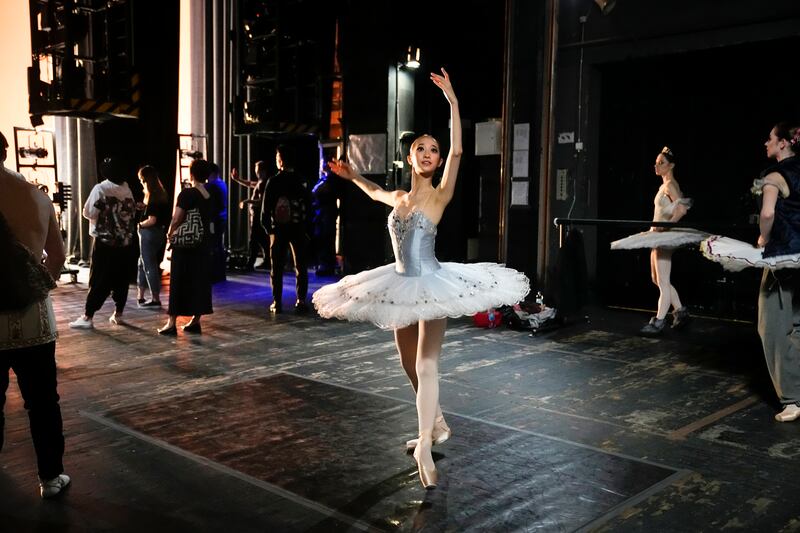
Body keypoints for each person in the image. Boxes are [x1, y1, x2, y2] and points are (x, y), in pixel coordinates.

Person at [313, 69, 529, 489]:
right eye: (420, 148)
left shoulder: (440, 193)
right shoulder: (399, 197)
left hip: (432, 285)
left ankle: (426, 448)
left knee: (427, 364)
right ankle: (435, 424)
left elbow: (460, 153)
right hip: (397, 286)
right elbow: (373, 191)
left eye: (434, 149)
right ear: (410, 158)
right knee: (410, 367)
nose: (429, 153)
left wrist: (452, 100)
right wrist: (351, 176)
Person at [0, 130, 70, 498]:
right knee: (43, 402)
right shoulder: (37, 197)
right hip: (34, 321)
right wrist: (36, 284)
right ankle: (50, 477)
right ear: (6, 152)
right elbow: (57, 258)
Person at [610, 147, 706, 336]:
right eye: (656, 162)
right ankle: (680, 311)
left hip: (664, 236)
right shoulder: (664, 185)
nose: (657, 165)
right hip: (658, 235)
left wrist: (665, 225)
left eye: (661, 162)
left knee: (662, 280)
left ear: (671, 166)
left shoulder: (670, 184)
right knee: (657, 279)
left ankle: (659, 322)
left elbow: (682, 209)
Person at [69, 157, 137, 329]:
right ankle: (118, 313)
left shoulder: (101, 188)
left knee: (99, 277)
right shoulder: (126, 188)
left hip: (105, 241)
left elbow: (89, 212)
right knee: (121, 278)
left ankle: (87, 316)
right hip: (125, 241)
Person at [158, 159, 214, 335]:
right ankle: (195, 320)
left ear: (191, 174)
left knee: (178, 282)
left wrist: (170, 233)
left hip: (185, 245)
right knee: (199, 281)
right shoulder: (210, 194)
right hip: (203, 243)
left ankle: (171, 322)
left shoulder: (187, 194)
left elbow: (177, 218)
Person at [261, 145, 311, 313]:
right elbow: (309, 205)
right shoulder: (301, 179)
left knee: (277, 267)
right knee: (301, 265)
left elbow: (265, 208)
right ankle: (301, 300)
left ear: (280, 160)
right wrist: (307, 228)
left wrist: (268, 229)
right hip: (298, 228)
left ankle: (277, 302)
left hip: (278, 229)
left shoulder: (274, 181)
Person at [135, 165, 170, 307]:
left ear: (144, 179)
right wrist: (144, 207)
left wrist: (140, 225)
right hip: (158, 233)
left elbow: (152, 220)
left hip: (149, 233)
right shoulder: (160, 193)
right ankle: (141, 295)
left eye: (141, 180)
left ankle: (155, 298)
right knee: (142, 263)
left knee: (148, 265)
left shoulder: (153, 195)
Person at [230, 161, 270, 271]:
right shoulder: (261, 182)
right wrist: (237, 179)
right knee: (261, 240)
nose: (256, 173)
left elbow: (262, 201)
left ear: (263, 171)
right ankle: (267, 261)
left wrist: (248, 201)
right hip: (256, 216)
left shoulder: (263, 183)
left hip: (258, 216)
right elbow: (250, 184)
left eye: (258, 170)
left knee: (254, 240)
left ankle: (250, 264)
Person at [311, 164, 340, 276]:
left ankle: (327, 265)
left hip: (326, 213)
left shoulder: (331, 180)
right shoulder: (325, 179)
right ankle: (325, 263)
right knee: (323, 238)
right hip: (322, 212)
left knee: (326, 239)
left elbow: (317, 191)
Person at [206, 163, 228, 283]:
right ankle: (220, 274)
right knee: (219, 246)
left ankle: (215, 275)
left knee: (214, 247)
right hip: (222, 219)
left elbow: (212, 207)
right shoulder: (222, 183)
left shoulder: (212, 186)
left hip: (214, 220)